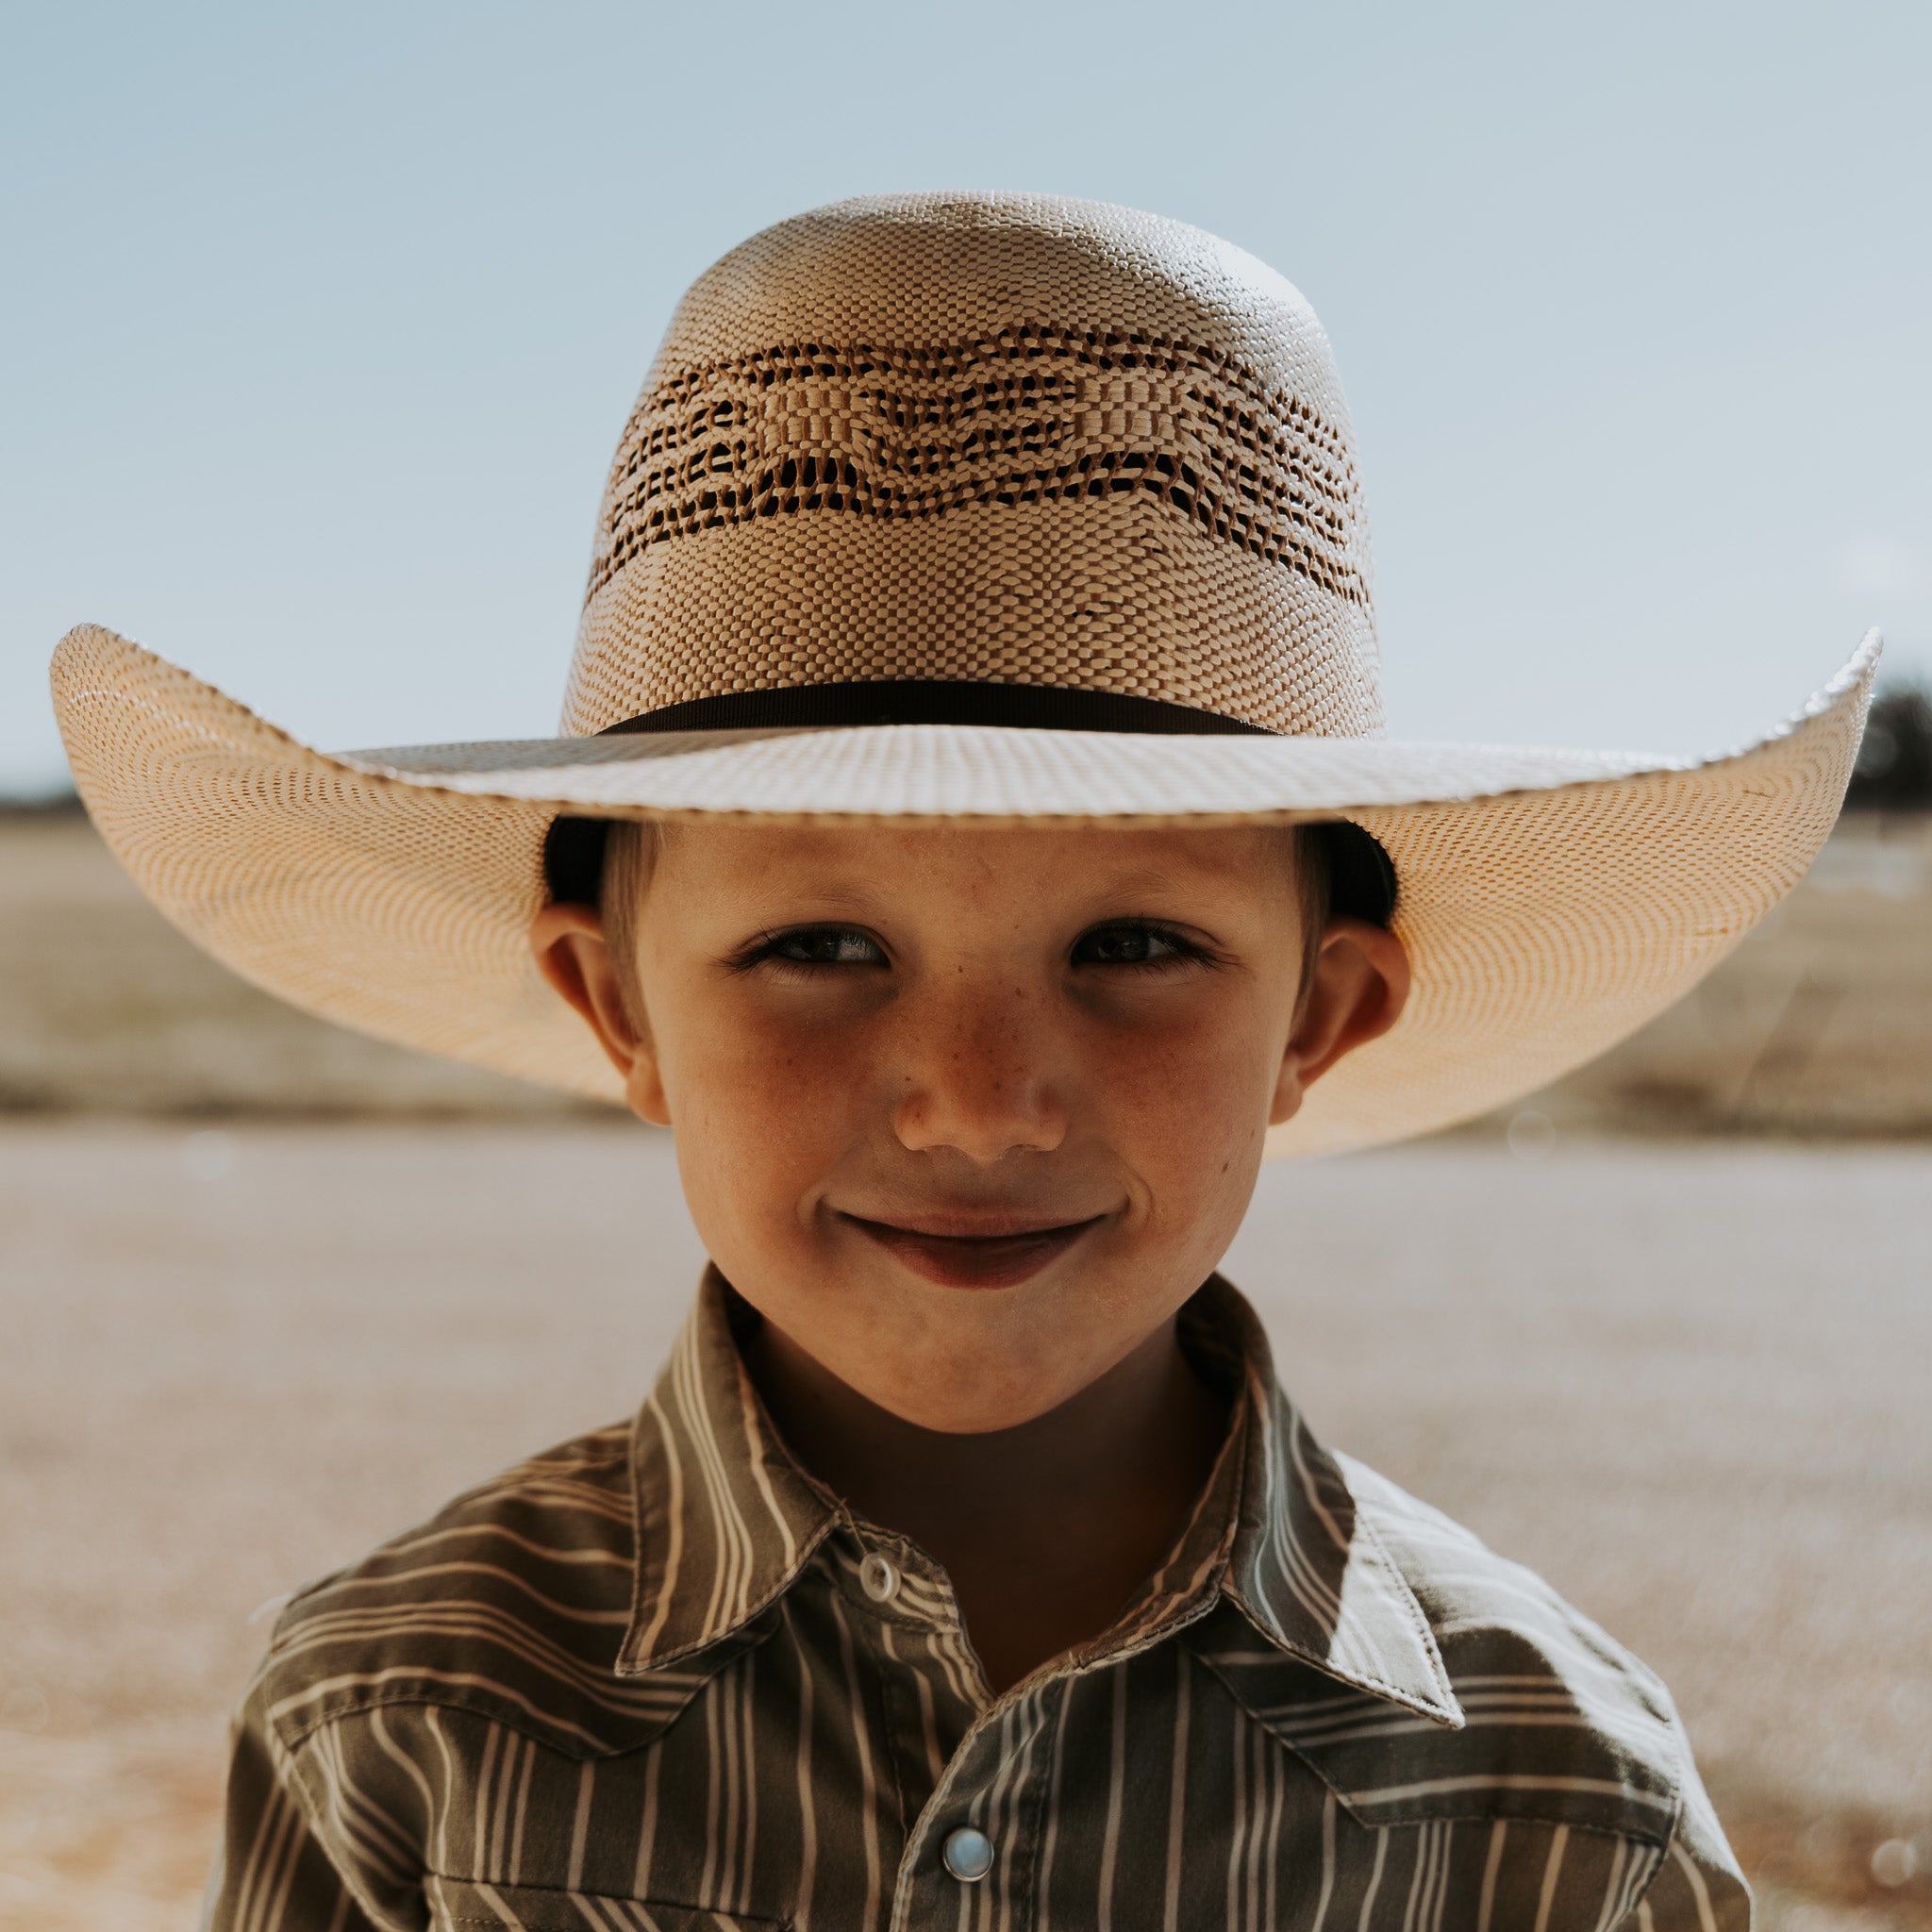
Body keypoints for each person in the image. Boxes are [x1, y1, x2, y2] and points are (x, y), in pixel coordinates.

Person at [52, 193, 1874, 1930]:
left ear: (1321, 1017)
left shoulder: (1557, 1801)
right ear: (615, 1005)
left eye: (1136, 948)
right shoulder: (402, 1725)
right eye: (821, 949)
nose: (979, 1101)